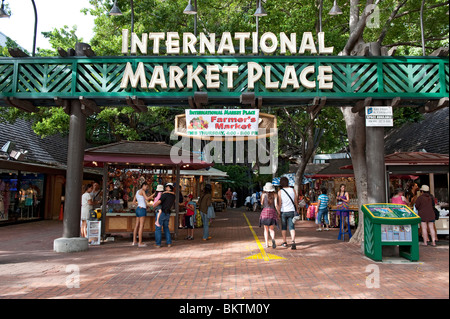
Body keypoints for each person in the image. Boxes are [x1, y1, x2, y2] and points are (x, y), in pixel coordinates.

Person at [277, 177, 298, 250]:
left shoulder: (280, 192)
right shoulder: (293, 190)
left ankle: (284, 242)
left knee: (284, 227)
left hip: (284, 211)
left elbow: (279, 203)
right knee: (292, 227)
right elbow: (295, 201)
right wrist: (297, 210)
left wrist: (278, 212)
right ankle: (293, 241)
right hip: (291, 211)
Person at [153, 183, 176, 248]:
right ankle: (169, 243)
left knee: (158, 228)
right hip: (167, 213)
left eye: (166, 187)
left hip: (161, 212)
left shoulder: (164, 195)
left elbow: (159, 202)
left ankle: (158, 243)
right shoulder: (173, 196)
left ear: (169, 187)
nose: (165, 188)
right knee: (166, 228)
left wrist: (153, 206)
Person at [132, 182, 152, 247]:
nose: (147, 188)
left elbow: (133, 202)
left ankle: (134, 241)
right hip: (142, 209)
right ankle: (140, 243)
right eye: (147, 186)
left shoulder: (137, 191)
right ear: (143, 185)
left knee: (136, 225)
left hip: (138, 209)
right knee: (141, 226)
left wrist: (139, 204)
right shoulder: (142, 191)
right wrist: (154, 194)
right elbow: (147, 198)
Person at [259, 182, 279, 249]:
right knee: (272, 229)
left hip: (265, 211)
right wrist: (278, 212)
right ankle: (273, 239)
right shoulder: (275, 195)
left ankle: (266, 244)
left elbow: (261, 203)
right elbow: (276, 205)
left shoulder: (263, 194)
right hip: (272, 212)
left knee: (265, 229)